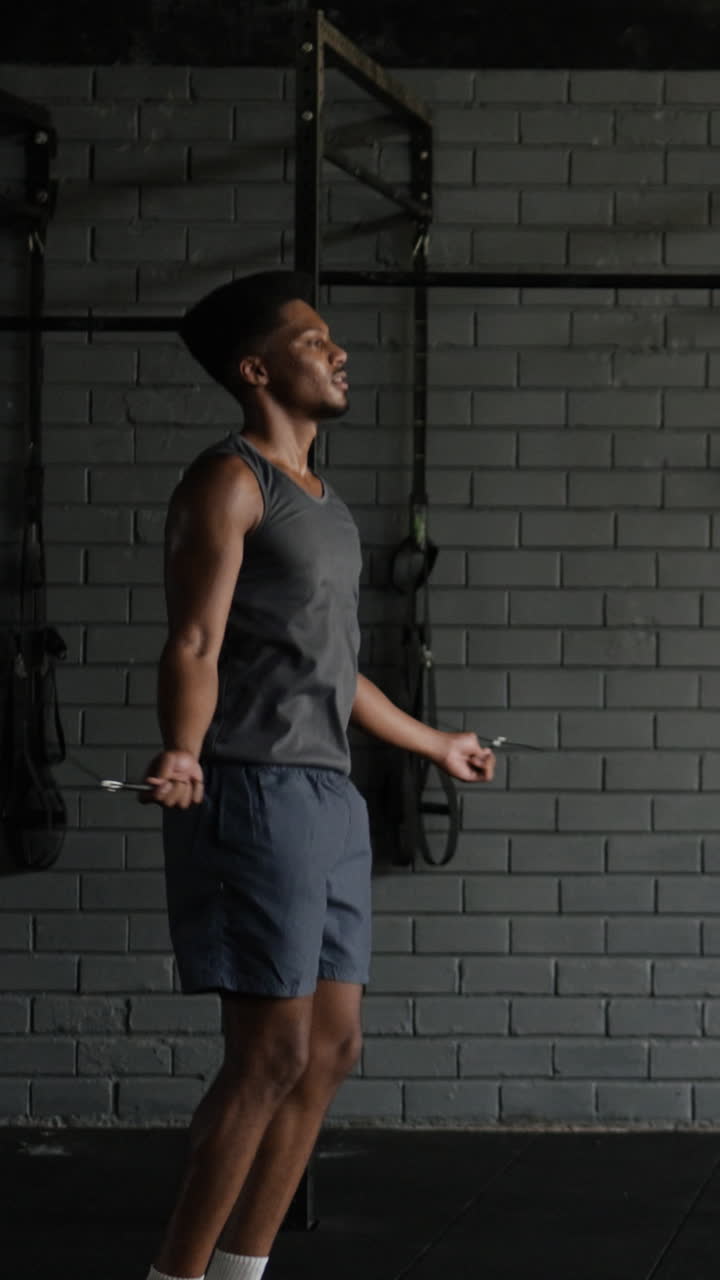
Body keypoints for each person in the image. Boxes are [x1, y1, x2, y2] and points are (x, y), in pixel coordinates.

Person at [140, 270, 496, 1280]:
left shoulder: (324, 504)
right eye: (312, 340)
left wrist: (430, 743)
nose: (337, 352)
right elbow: (197, 639)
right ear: (256, 370)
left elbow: (335, 670)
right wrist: (181, 746)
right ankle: (177, 1273)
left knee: (330, 1049)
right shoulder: (230, 480)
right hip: (253, 789)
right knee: (268, 1056)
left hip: (328, 796)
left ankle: (243, 1271)